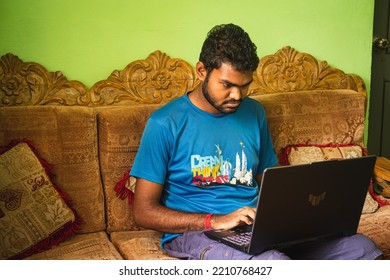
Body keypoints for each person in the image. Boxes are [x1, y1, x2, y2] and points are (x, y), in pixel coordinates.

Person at [130, 23, 383, 260]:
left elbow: (271, 181)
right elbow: (143, 211)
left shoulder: (254, 112)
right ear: (201, 71)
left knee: (362, 249)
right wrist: (214, 221)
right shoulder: (165, 123)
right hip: (197, 233)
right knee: (273, 263)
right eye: (227, 85)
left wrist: (307, 209)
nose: (237, 96)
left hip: (257, 228)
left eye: (245, 86)